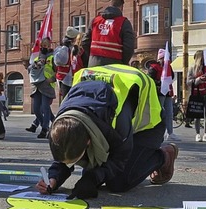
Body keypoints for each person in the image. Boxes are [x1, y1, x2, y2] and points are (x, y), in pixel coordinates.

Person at [36, 64, 177, 199]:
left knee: (119, 183)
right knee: (95, 172)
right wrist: (53, 179)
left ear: (88, 141)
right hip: (105, 122)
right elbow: (64, 154)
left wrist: (93, 177)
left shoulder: (117, 119)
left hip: (150, 125)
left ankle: (164, 156)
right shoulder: (64, 122)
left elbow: (120, 157)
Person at [80, 0, 135, 68]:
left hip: (94, 65)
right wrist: (123, 62)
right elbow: (128, 48)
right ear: (121, 7)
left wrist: (92, 56)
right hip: (115, 65)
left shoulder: (95, 21)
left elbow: (85, 42)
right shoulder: (124, 22)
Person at [26, 37, 56, 139]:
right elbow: (29, 69)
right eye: (43, 46)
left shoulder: (53, 57)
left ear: (50, 46)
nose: (44, 47)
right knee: (36, 109)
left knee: (45, 108)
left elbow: (59, 70)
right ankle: (48, 125)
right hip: (37, 86)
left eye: (46, 45)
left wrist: (52, 79)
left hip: (47, 85)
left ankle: (44, 129)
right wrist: (35, 65)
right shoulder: (37, 57)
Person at [148, 48, 179, 141]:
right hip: (159, 92)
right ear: (160, 58)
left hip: (168, 93)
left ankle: (170, 133)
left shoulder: (168, 67)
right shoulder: (153, 67)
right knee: (159, 112)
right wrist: (160, 83)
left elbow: (172, 76)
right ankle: (157, 132)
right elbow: (151, 80)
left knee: (169, 113)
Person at [187, 50, 206, 142]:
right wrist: (197, 80)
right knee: (197, 114)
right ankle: (198, 134)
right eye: (203, 57)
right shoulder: (192, 68)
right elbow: (188, 82)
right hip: (197, 93)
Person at [54, 26, 80, 100]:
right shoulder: (61, 49)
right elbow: (59, 61)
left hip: (75, 79)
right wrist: (65, 47)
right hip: (65, 80)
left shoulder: (76, 49)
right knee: (66, 100)